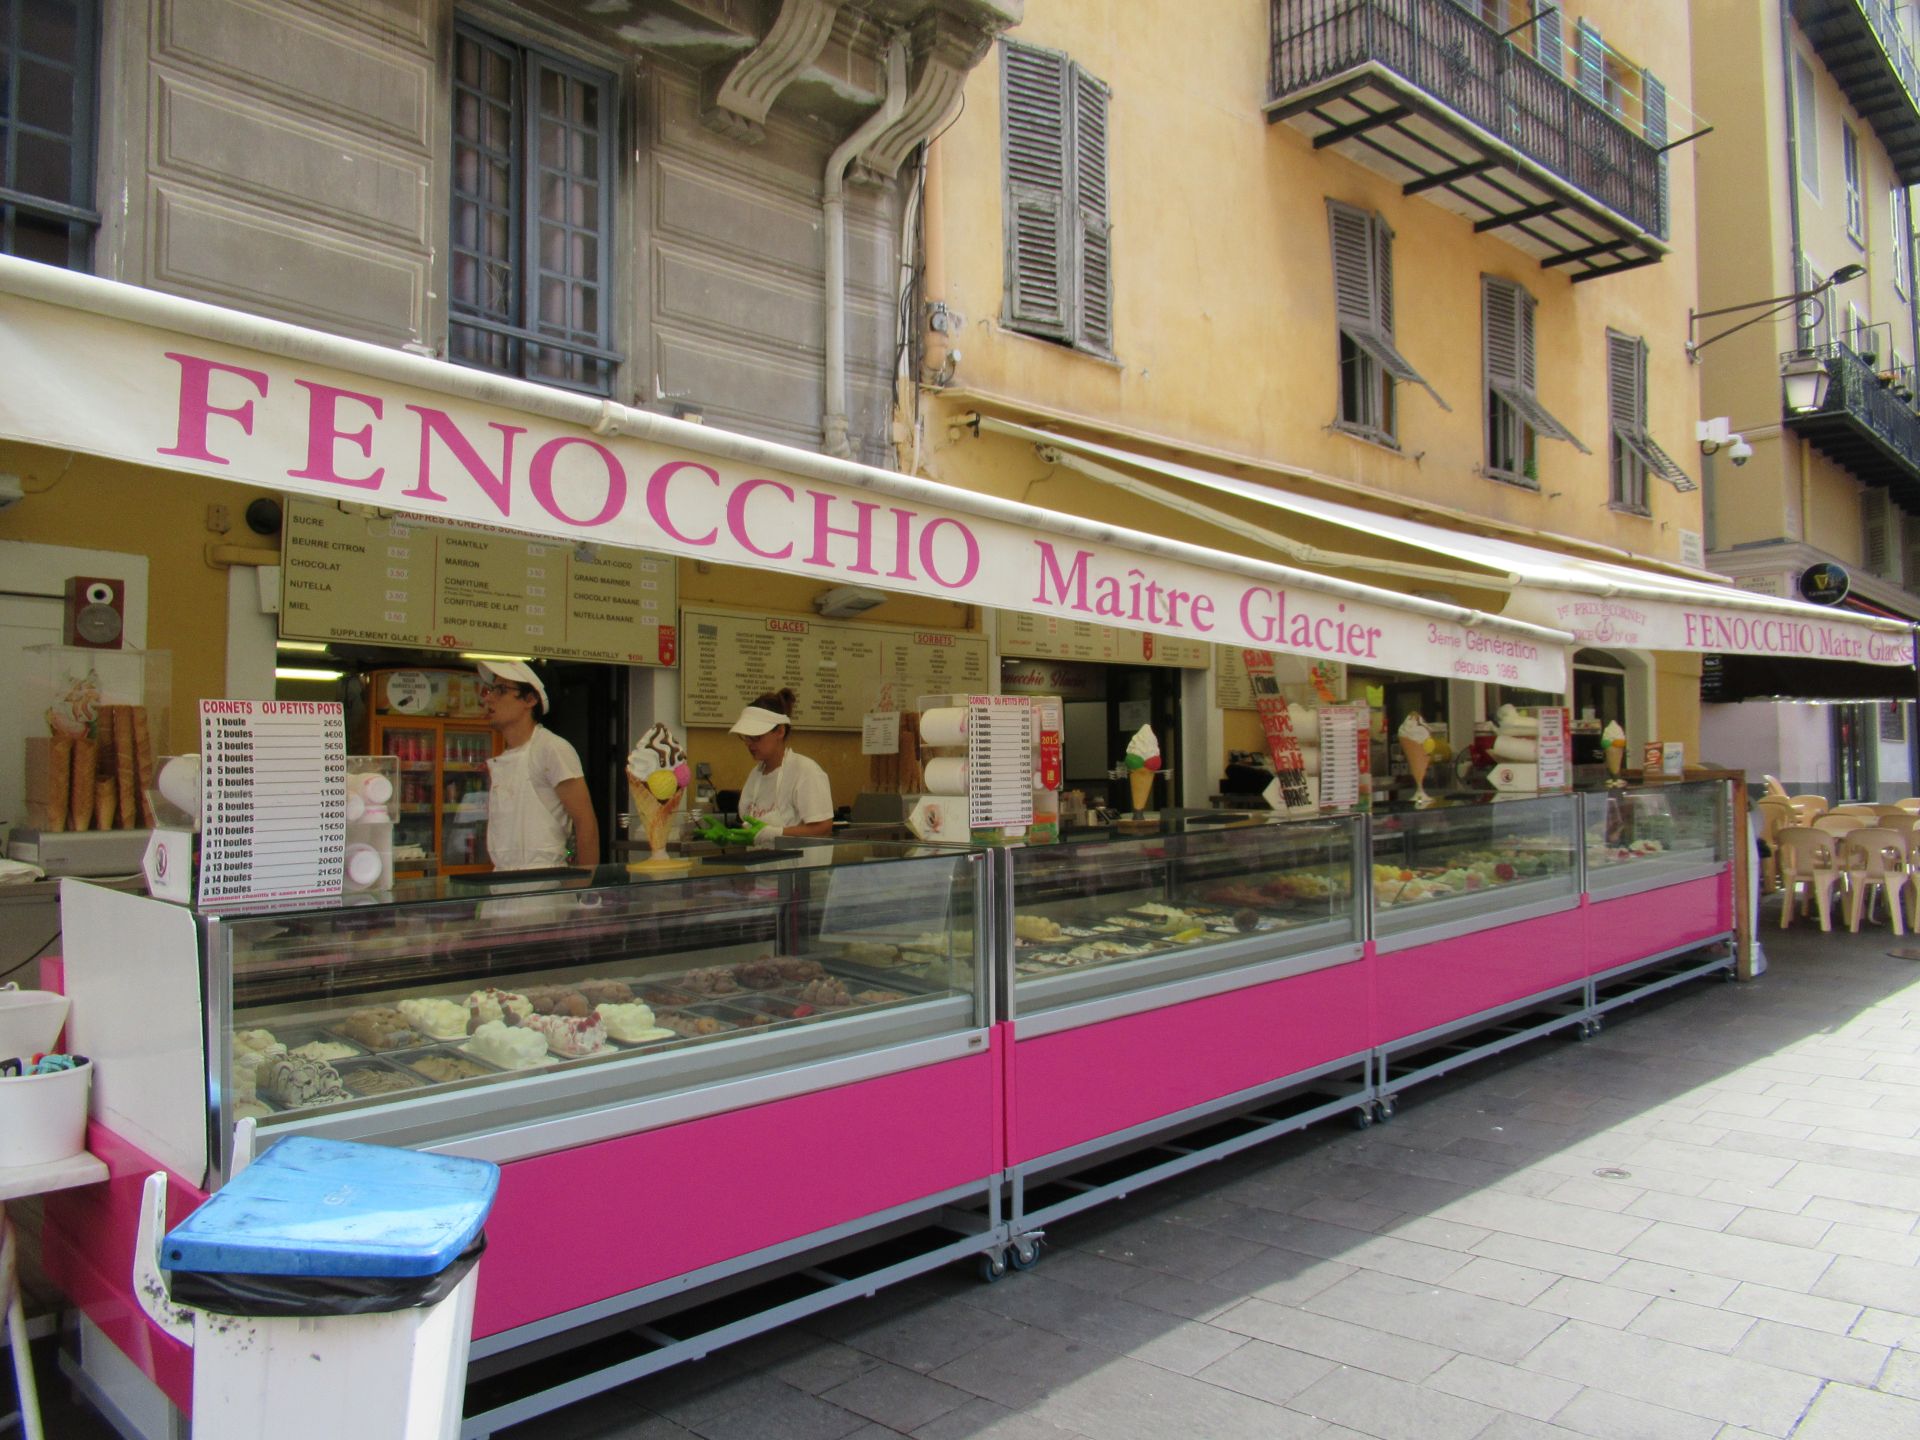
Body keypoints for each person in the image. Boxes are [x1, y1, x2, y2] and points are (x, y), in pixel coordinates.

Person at [476, 660, 600, 870]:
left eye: (501, 690)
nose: (489, 698)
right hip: (502, 882)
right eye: (491, 689)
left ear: (530, 699)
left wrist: (584, 883)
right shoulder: (505, 758)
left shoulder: (551, 748)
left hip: (546, 883)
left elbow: (585, 822)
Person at [730, 689, 834, 846]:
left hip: (797, 861)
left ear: (780, 731)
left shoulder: (806, 771)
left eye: (756, 737)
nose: (748, 744)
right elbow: (749, 827)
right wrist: (730, 835)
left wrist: (775, 834)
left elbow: (823, 828)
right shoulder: (755, 775)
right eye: (746, 737)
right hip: (759, 861)